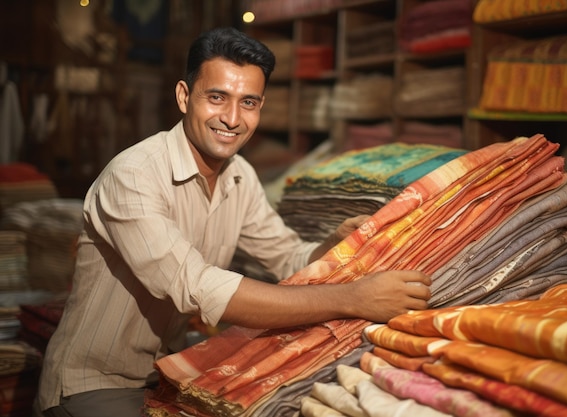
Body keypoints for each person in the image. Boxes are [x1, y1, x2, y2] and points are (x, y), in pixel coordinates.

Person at [37, 27, 432, 417]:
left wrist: (334, 242)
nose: (231, 118)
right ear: (184, 96)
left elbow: (287, 257)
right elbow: (197, 287)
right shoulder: (134, 174)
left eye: (249, 102)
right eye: (216, 98)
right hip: (94, 384)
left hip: (166, 372)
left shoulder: (238, 175)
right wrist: (353, 299)